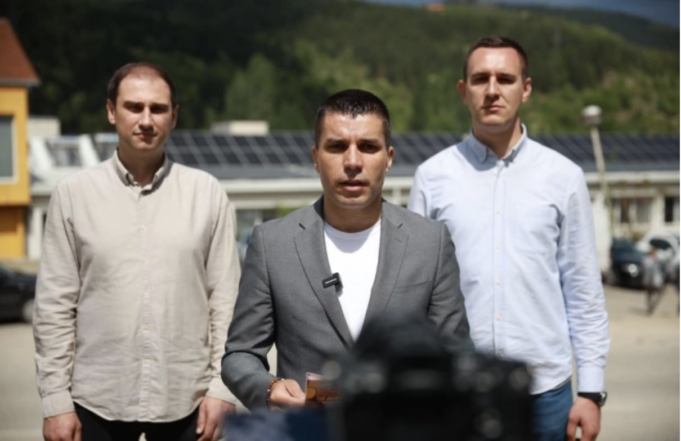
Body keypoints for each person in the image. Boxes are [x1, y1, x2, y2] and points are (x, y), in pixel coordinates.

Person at [408, 36, 610, 441]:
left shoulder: (564, 177)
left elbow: (583, 290)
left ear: (526, 88)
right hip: (457, 392)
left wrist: (590, 391)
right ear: (463, 90)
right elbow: (415, 291)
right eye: (480, 79)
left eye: (505, 78)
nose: (492, 90)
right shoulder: (432, 177)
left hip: (545, 395)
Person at [221, 89, 471, 411]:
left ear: (389, 158)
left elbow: (456, 353)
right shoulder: (272, 244)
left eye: (368, 147)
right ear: (315, 157)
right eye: (337, 147)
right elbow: (240, 354)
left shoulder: (430, 242)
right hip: (308, 428)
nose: (352, 162)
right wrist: (268, 389)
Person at [33, 62, 240, 441]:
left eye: (158, 109)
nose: (146, 120)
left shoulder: (207, 193)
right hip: (95, 399)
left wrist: (222, 389)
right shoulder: (73, 195)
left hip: (189, 400)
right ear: (111, 111)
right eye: (134, 107)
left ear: (173, 117)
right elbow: (54, 306)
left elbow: (226, 303)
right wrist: (55, 401)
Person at [642, 247, 665, 315]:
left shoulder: (658, 260)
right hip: (649, 280)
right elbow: (646, 269)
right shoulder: (647, 260)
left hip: (656, 281)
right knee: (649, 294)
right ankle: (650, 306)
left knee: (658, 293)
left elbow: (661, 270)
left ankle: (652, 306)